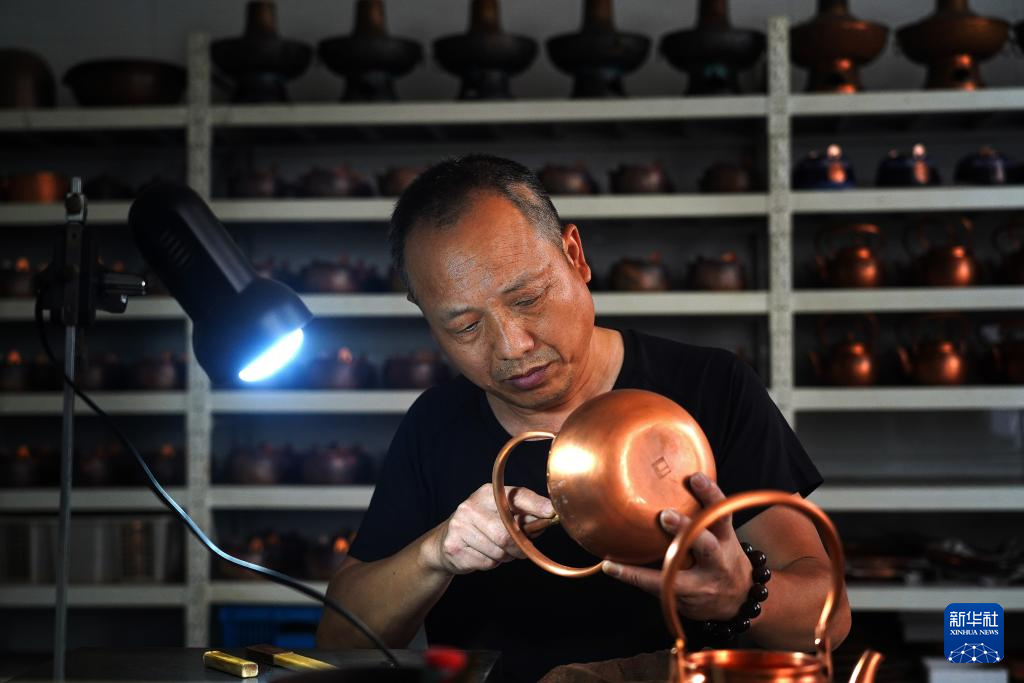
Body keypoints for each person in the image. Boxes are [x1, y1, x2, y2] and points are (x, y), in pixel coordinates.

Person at [316, 154, 850, 682]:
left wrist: (740, 593)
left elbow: (829, 622)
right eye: (465, 327)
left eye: (528, 299)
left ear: (575, 256)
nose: (513, 346)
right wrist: (437, 553)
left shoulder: (710, 387)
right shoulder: (436, 423)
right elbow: (338, 641)